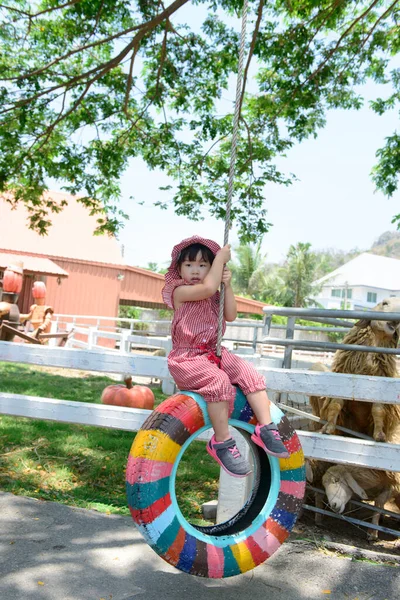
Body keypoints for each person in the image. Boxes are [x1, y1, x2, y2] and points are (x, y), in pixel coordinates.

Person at [162, 235, 289, 478]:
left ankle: (265, 428)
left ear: (212, 269)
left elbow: (230, 314)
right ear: (179, 270)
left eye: (203, 265)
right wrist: (220, 257)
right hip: (187, 358)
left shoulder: (214, 293)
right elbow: (207, 287)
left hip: (215, 352)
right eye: (189, 265)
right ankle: (221, 443)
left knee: (249, 374)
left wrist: (227, 286)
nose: (195, 270)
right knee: (219, 384)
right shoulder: (180, 291)